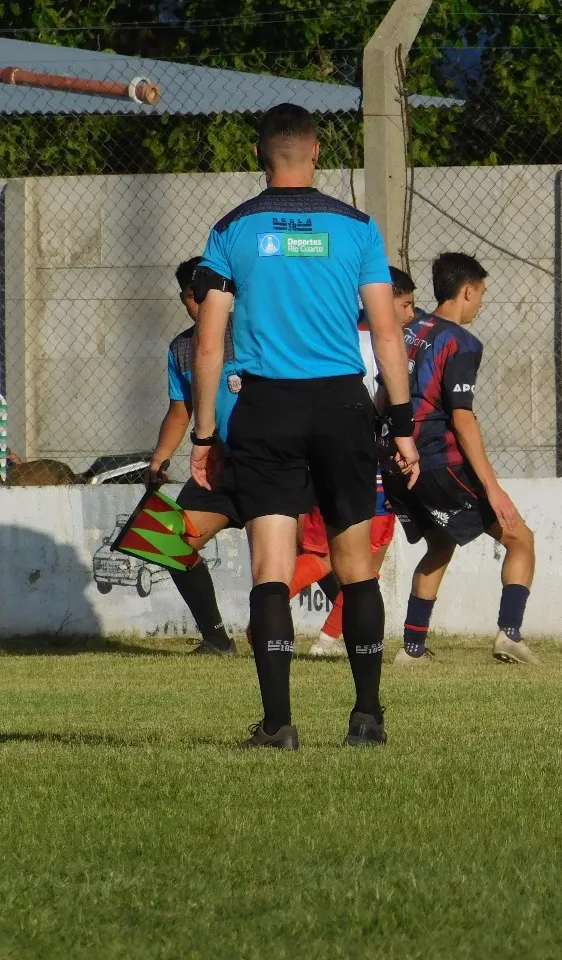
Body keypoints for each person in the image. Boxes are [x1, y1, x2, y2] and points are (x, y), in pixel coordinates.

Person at [190, 103, 419, 750]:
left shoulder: (232, 230)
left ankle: (278, 724)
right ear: (316, 154)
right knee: (355, 564)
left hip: (266, 409)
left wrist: (204, 437)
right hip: (342, 407)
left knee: (270, 566)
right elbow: (386, 331)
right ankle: (367, 716)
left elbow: (209, 346)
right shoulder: (357, 228)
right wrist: (400, 424)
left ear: (261, 157)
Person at [381, 252, 539, 667]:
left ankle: (413, 649)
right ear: (467, 291)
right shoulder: (461, 342)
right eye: (481, 294)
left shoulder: (405, 327)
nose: (481, 304)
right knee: (520, 539)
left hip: (397, 460)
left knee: (440, 544)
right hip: (438, 462)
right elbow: (462, 417)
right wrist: (493, 488)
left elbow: (384, 392)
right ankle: (510, 634)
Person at [289, 265, 421, 657]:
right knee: (365, 555)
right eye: (406, 304)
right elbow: (385, 400)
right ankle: (320, 635)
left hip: (319, 449)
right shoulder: (388, 343)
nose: (411, 314)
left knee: (324, 550)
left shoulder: (330, 335)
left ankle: (309, 629)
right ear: (382, 299)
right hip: (368, 455)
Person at [145, 257, 243, 655]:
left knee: (314, 553)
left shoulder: (256, 334)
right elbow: (180, 410)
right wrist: (160, 458)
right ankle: (217, 639)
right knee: (167, 540)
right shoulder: (182, 348)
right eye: (192, 296)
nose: (200, 303)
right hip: (215, 471)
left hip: (269, 464)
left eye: (208, 294)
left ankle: (350, 632)